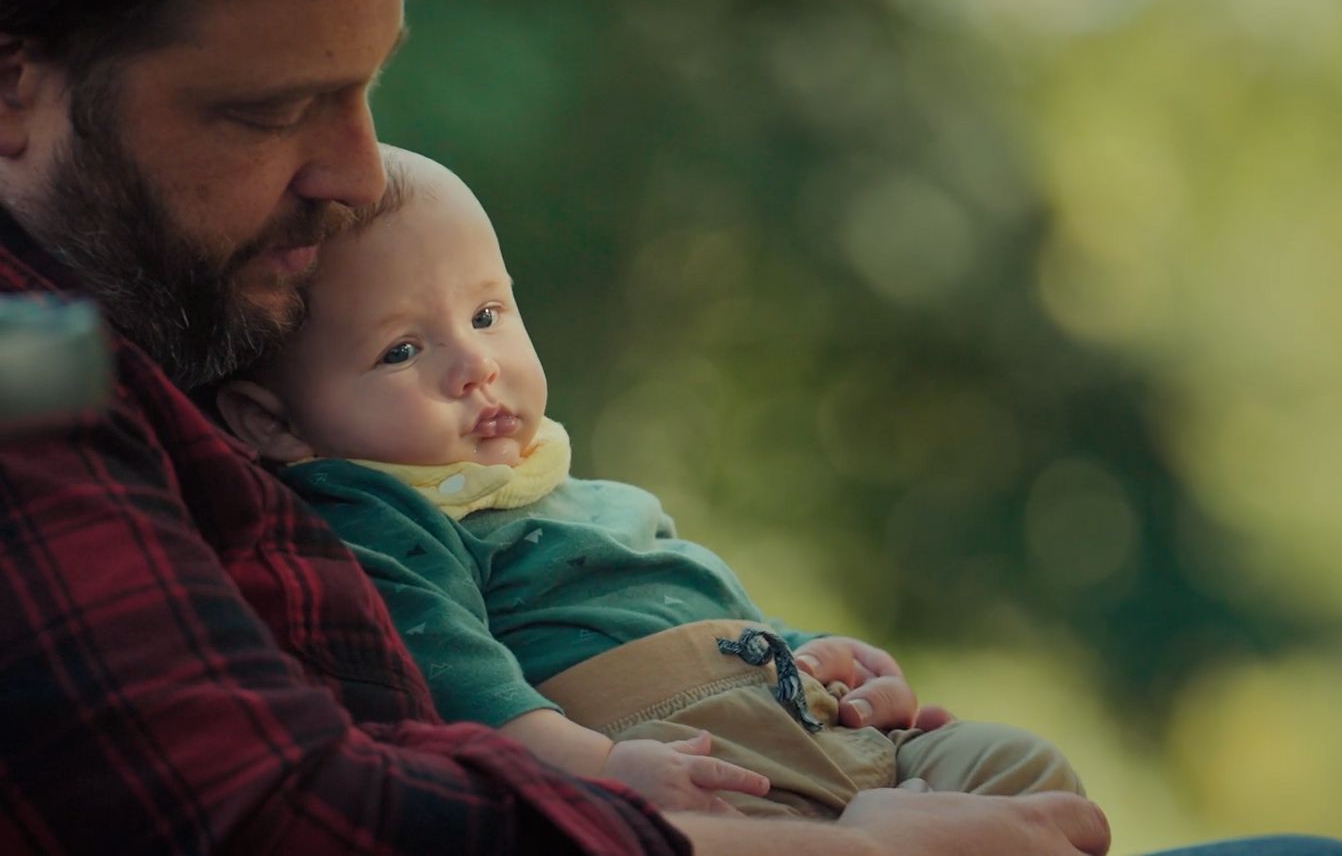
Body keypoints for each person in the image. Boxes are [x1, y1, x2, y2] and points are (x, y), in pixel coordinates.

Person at [0, 0, 1342, 854]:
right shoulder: (32, 359)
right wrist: (841, 850)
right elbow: (281, 813)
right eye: (270, 111)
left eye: (367, 90)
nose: (356, 176)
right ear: (13, 88)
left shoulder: (162, 317)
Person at [215, 146, 1083, 818]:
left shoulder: (586, 499)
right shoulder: (376, 512)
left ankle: (907, 804)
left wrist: (829, 659)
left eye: (486, 315)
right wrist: (594, 770)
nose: (475, 365)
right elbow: (452, 675)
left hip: (799, 721)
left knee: (1023, 774)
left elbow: (709, 609)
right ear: (273, 423)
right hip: (679, 762)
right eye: (403, 350)